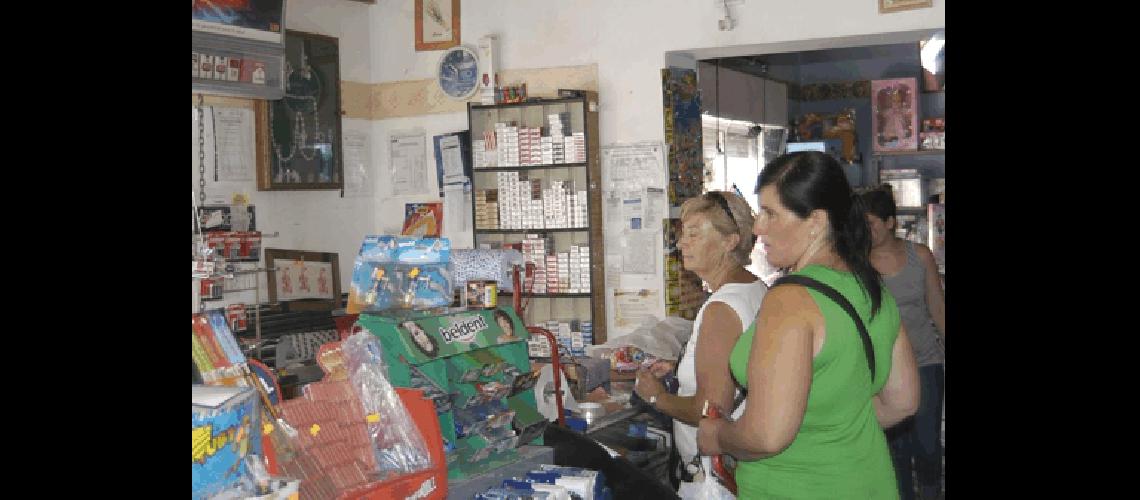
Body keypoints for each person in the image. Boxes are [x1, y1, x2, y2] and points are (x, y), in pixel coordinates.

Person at [697, 151, 920, 499]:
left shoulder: (791, 301)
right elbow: (902, 402)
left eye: (771, 214)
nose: (757, 227)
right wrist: (828, 432)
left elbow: (766, 437)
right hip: (868, 482)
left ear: (815, 221)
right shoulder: (870, 287)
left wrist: (717, 435)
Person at [632, 190, 767, 493]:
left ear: (729, 241)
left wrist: (656, 397)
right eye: (683, 234)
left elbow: (711, 408)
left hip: (711, 476)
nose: (682, 244)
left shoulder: (722, 308)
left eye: (694, 234)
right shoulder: (754, 288)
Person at [862, 186, 946, 500]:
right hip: (880, 369)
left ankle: (931, 491)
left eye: (870, 223)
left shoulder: (918, 256)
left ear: (889, 222)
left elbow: (937, 307)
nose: (865, 230)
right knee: (894, 448)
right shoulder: (857, 262)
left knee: (926, 444)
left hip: (926, 361)